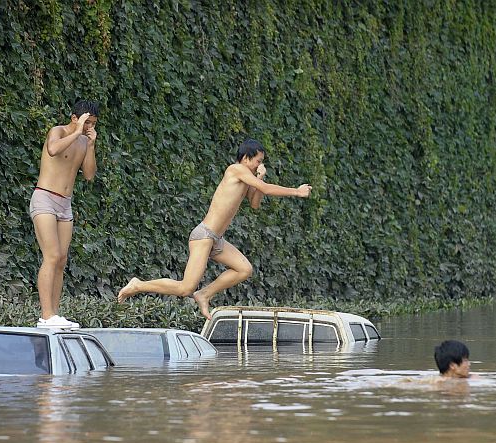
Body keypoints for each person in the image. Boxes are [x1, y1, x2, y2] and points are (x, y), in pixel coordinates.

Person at [117, 138, 311, 319]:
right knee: (185, 288)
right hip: (204, 235)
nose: (259, 165)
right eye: (257, 161)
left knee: (244, 269)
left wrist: (260, 177)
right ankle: (138, 285)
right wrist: (296, 191)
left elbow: (255, 203)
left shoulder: (248, 178)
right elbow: (267, 189)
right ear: (246, 158)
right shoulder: (236, 169)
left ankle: (204, 294)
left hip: (216, 239)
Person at [29, 100, 98, 328]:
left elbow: (88, 175)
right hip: (45, 198)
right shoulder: (57, 131)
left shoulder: (83, 141)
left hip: (65, 204)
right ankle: (46, 315)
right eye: (86, 122)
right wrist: (76, 131)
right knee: (51, 255)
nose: (88, 127)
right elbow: (53, 149)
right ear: (74, 118)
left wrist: (90, 144)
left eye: (92, 124)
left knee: (61, 259)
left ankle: (55, 315)